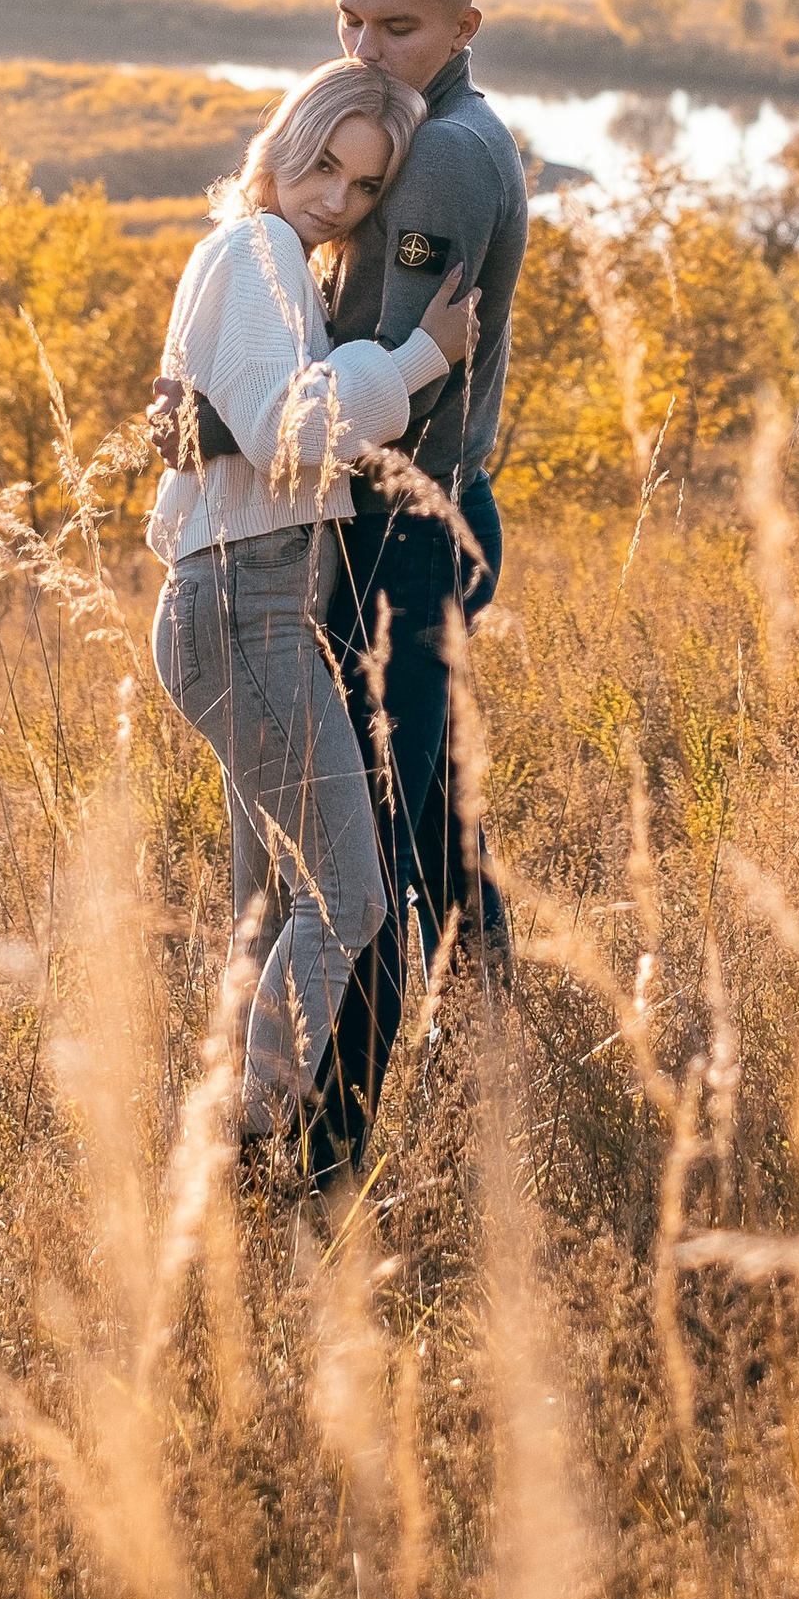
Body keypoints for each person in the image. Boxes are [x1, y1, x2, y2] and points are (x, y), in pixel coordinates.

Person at [147, 59, 482, 1174]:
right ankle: (249, 1127)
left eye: (363, 185)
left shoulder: (268, 258)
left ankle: (240, 1144)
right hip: (243, 610)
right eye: (322, 163)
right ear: (283, 141)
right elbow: (292, 432)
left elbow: (243, 420)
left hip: (241, 607)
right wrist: (420, 358)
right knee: (347, 895)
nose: (334, 198)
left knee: (274, 899)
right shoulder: (259, 251)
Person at [313, 0, 530, 1167]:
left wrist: (222, 415)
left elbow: (386, 375)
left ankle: (333, 1132)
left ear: (462, 28)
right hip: (431, 512)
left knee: (371, 834)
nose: (363, 49)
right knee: (432, 812)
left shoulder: (445, 152)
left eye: (396, 27)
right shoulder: (415, 130)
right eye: (348, 18)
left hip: (401, 525)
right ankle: (495, 1047)